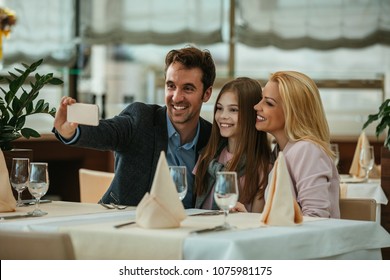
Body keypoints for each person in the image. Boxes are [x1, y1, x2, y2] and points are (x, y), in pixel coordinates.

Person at [53, 45, 216, 209]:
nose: (176, 97)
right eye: (171, 86)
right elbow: (109, 131)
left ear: (206, 94)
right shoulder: (141, 120)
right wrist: (71, 132)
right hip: (127, 224)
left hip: (188, 229)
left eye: (188, 88)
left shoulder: (212, 138)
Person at [254, 71, 340, 218]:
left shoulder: (307, 150)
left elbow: (316, 217)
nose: (256, 106)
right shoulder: (280, 151)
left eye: (268, 103)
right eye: (261, 99)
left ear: (293, 112)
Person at [194, 77, 271, 213]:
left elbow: (258, 223)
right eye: (219, 108)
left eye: (233, 110)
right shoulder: (207, 157)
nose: (223, 116)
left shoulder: (263, 167)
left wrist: (245, 215)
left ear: (252, 113)